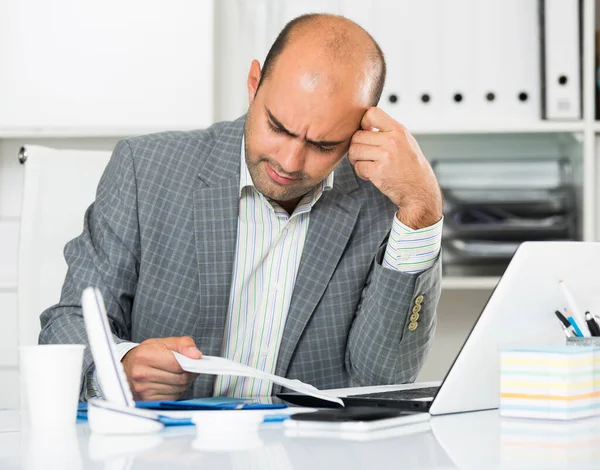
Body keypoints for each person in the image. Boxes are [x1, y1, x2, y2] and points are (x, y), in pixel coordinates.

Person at [40, 13, 444, 401]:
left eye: (323, 145)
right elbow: (66, 325)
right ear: (254, 84)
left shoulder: (382, 206)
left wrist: (422, 213)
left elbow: (382, 383)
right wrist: (119, 367)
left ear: (362, 130)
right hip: (171, 449)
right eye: (277, 127)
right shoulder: (144, 170)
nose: (289, 162)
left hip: (310, 452)